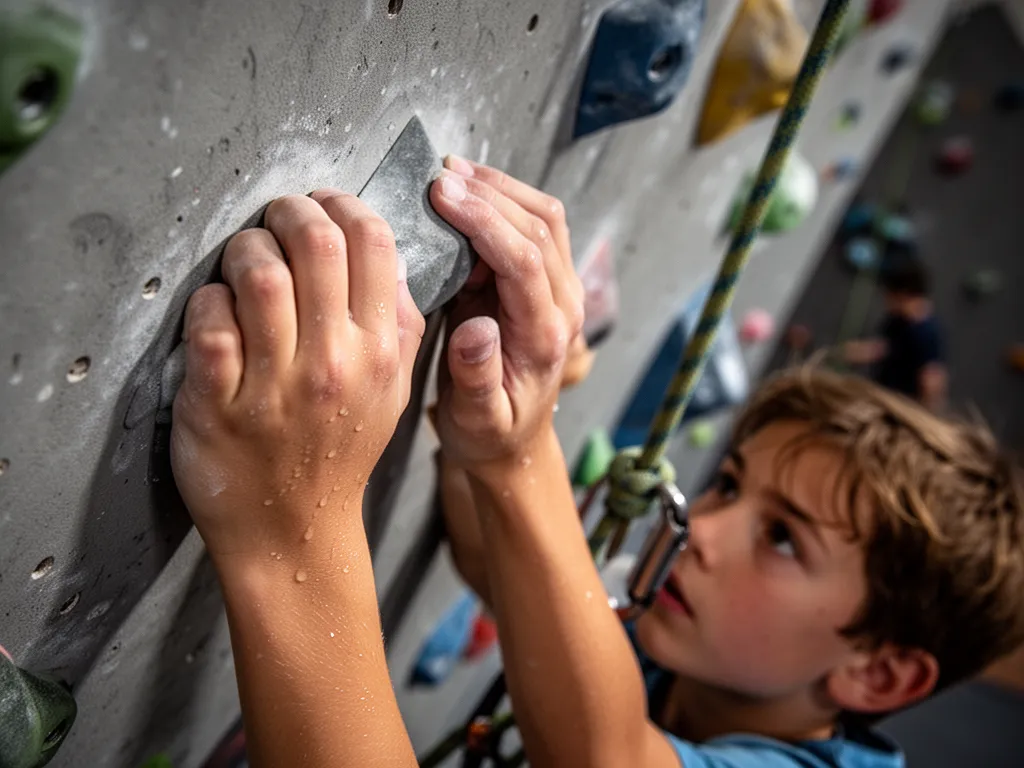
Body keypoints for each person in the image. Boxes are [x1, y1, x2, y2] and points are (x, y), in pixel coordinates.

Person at [172, 158, 1024, 768]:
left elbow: (606, 754)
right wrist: (491, 410)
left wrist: (294, 526)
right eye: (731, 485)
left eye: (783, 538)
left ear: (878, 671)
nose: (705, 530)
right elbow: (502, 566)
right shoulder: (696, 649)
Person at [844, 256, 947, 410]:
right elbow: (888, 348)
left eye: (888, 293)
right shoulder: (898, 321)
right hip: (881, 394)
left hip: (898, 405)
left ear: (902, 293)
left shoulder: (926, 333)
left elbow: (932, 379)